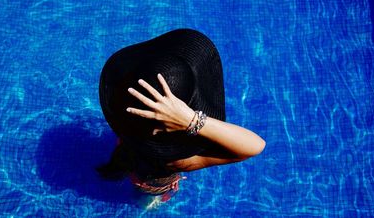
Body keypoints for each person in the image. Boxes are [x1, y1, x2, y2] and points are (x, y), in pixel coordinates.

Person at [97, 28, 265, 203]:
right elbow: (256, 145)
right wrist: (191, 120)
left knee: (131, 166)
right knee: (152, 193)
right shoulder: (176, 162)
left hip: (131, 151)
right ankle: (150, 199)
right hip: (150, 178)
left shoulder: (122, 105)